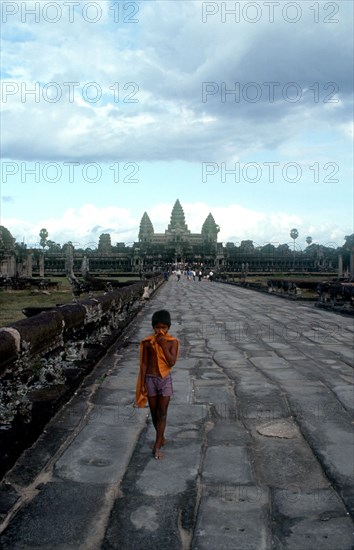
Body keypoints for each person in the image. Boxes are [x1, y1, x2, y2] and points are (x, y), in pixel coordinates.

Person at [136, 310, 179, 459]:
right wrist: (142, 383)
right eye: (157, 327)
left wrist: (163, 345)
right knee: (154, 413)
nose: (160, 331)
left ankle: (157, 445)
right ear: (153, 327)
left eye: (164, 328)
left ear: (169, 327)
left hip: (165, 380)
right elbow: (144, 364)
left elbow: (171, 361)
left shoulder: (172, 342)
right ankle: (160, 437)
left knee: (163, 412)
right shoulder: (148, 343)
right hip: (150, 379)